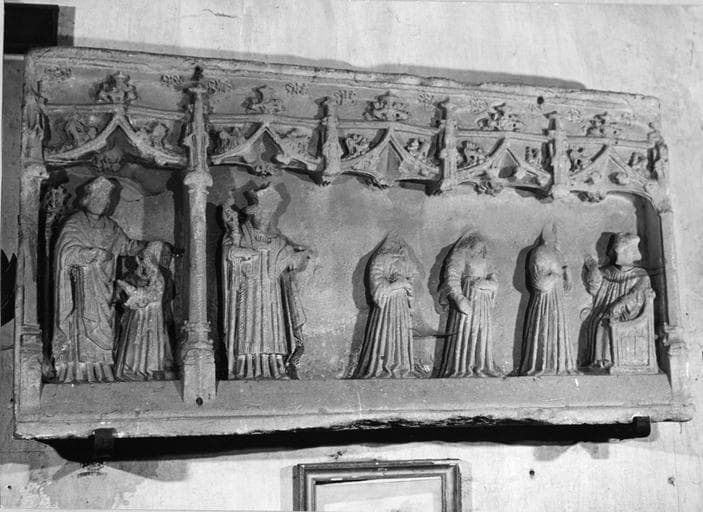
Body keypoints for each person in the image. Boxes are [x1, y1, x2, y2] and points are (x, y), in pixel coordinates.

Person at [52, 177, 145, 382]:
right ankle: (79, 370)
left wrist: (149, 247)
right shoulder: (75, 223)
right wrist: (91, 254)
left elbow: (128, 246)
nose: (103, 202)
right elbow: (65, 253)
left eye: (106, 199)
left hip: (104, 288)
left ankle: (103, 368)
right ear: (87, 198)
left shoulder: (110, 226)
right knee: (83, 327)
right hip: (82, 289)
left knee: (105, 328)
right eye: (99, 198)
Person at [222, 183, 310, 379]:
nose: (263, 218)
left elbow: (288, 260)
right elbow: (228, 253)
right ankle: (245, 366)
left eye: (267, 215)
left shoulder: (278, 240)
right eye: (260, 214)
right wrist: (242, 251)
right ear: (252, 215)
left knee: (272, 327)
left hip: (271, 295)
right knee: (249, 327)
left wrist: (295, 257)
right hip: (249, 291)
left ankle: (275, 364)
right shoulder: (240, 235)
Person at [583, 232, 653, 369]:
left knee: (609, 324)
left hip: (629, 313)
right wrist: (593, 270)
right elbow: (594, 289)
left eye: (627, 251)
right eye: (620, 251)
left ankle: (612, 360)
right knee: (600, 323)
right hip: (607, 311)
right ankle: (601, 361)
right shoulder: (607, 271)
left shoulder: (640, 274)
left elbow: (637, 293)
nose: (620, 255)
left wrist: (621, 304)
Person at [353, 233, 417, 379]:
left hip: (401, 303)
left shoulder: (405, 261)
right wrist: (396, 284)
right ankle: (382, 366)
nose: (398, 248)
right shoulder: (380, 259)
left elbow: (411, 278)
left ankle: (402, 366)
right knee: (384, 332)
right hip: (387, 305)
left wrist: (406, 284)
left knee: (401, 332)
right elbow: (376, 282)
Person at [437, 232, 499, 377]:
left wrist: (489, 284)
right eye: (477, 242)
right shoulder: (461, 254)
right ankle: (461, 367)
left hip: (483, 300)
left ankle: (481, 366)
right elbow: (452, 277)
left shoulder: (486, 258)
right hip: (468, 295)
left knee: (482, 331)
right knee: (465, 329)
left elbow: (494, 277)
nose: (481, 246)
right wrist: (459, 298)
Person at [519, 223, 577, 376]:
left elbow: (567, 288)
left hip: (557, 299)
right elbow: (539, 284)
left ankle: (560, 365)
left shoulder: (557, 253)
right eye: (553, 234)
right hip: (545, 301)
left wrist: (567, 274)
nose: (557, 238)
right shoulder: (539, 252)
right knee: (545, 328)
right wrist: (556, 276)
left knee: (557, 329)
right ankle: (543, 366)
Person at [114, 241, 175, 380]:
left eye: (148, 257)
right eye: (144, 257)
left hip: (151, 316)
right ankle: (134, 369)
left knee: (149, 344)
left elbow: (151, 295)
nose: (145, 261)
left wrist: (128, 288)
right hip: (137, 316)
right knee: (135, 343)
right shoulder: (137, 275)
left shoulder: (159, 277)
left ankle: (145, 370)